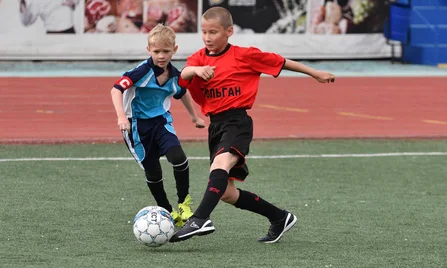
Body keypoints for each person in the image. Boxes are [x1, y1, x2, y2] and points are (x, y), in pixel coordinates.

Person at [170, 6, 335, 244]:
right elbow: (183, 75)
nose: (207, 37)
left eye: (213, 32)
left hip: (237, 122)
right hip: (216, 126)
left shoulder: (244, 55)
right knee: (227, 193)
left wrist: (314, 73)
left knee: (221, 163)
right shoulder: (198, 58)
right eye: (204, 32)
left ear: (229, 32)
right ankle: (280, 218)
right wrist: (196, 69)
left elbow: (281, 62)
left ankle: (200, 219)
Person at [110, 24, 206, 227]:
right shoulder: (141, 72)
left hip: (161, 122)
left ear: (175, 50)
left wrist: (194, 117)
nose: (161, 56)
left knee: (178, 158)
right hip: (135, 127)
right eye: (156, 51)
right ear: (149, 50)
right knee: (154, 173)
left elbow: (182, 92)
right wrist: (121, 117)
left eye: (166, 51)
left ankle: (184, 204)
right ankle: (167, 210)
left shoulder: (174, 75)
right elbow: (116, 90)